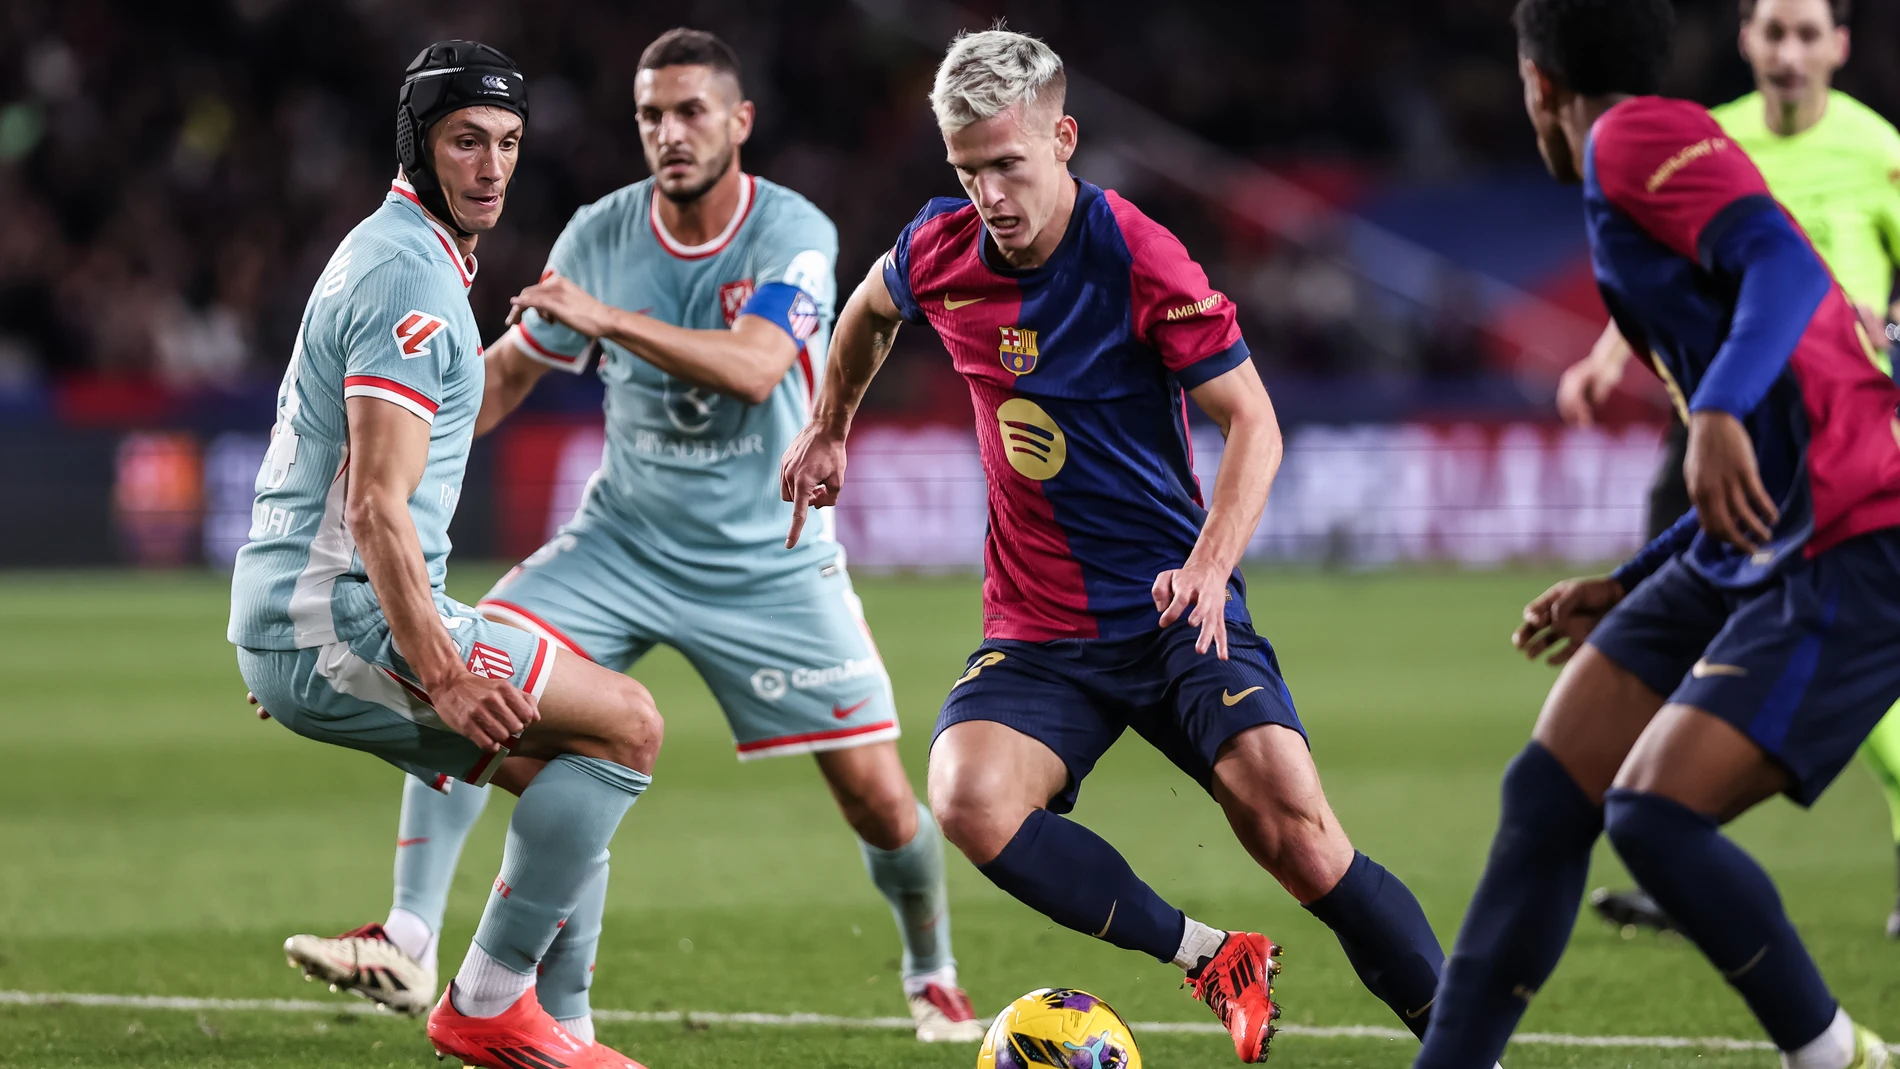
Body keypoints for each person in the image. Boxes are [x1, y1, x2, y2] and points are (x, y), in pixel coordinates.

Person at [280, 28, 984, 1045]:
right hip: (619, 543)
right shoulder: (601, 232)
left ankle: (932, 971)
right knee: (464, 660)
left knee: (878, 799)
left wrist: (604, 320)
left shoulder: (792, 229)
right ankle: (411, 935)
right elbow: (507, 374)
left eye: (692, 111)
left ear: (738, 123)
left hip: (764, 561)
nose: (669, 132)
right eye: (652, 114)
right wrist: (377, 466)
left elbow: (752, 367)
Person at [781, 28, 1454, 1066]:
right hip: (1043, 627)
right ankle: (1208, 953)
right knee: (966, 795)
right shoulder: (939, 248)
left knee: (1298, 836)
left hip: (1173, 605)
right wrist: (829, 424)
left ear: (1064, 137)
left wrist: (1212, 566)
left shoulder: (1138, 254)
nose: (991, 196)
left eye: (1008, 165)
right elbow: (869, 311)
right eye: (968, 172)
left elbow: (1255, 424)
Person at [1415, 2, 1900, 1067]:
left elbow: (1781, 264)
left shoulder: (1631, 137)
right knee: (1548, 795)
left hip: (1856, 532)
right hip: (1752, 535)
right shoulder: (1656, 153)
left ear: (1538, 83)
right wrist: (1631, 578)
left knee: (1651, 815)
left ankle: (1835, 1056)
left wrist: (1714, 407)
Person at [230, 42, 658, 1069]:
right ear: (418, 145)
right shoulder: (410, 277)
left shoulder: (393, 250)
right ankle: (487, 1007)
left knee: (566, 766)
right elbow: (375, 507)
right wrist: (440, 671)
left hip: (310, 617)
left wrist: (284, 630)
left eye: (508, 144)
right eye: (467, 141)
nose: (492, 167)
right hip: (341, 617)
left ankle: (562, 1033)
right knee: (626, 728)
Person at [1557, 0, 1900, 941]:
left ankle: (1670, 831)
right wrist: (1605, 358)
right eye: (1772, 32)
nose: (1788, 51)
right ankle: (1667, 839)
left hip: (1840, 437)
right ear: (1745, 41)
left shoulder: (1879, 149)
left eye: (1806, 32)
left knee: (1844, 657)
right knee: (1664, 641)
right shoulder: (1707, 135)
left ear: (1840, 45)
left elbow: (1785, 268)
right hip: (1709, 425)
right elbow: (1665, 262)